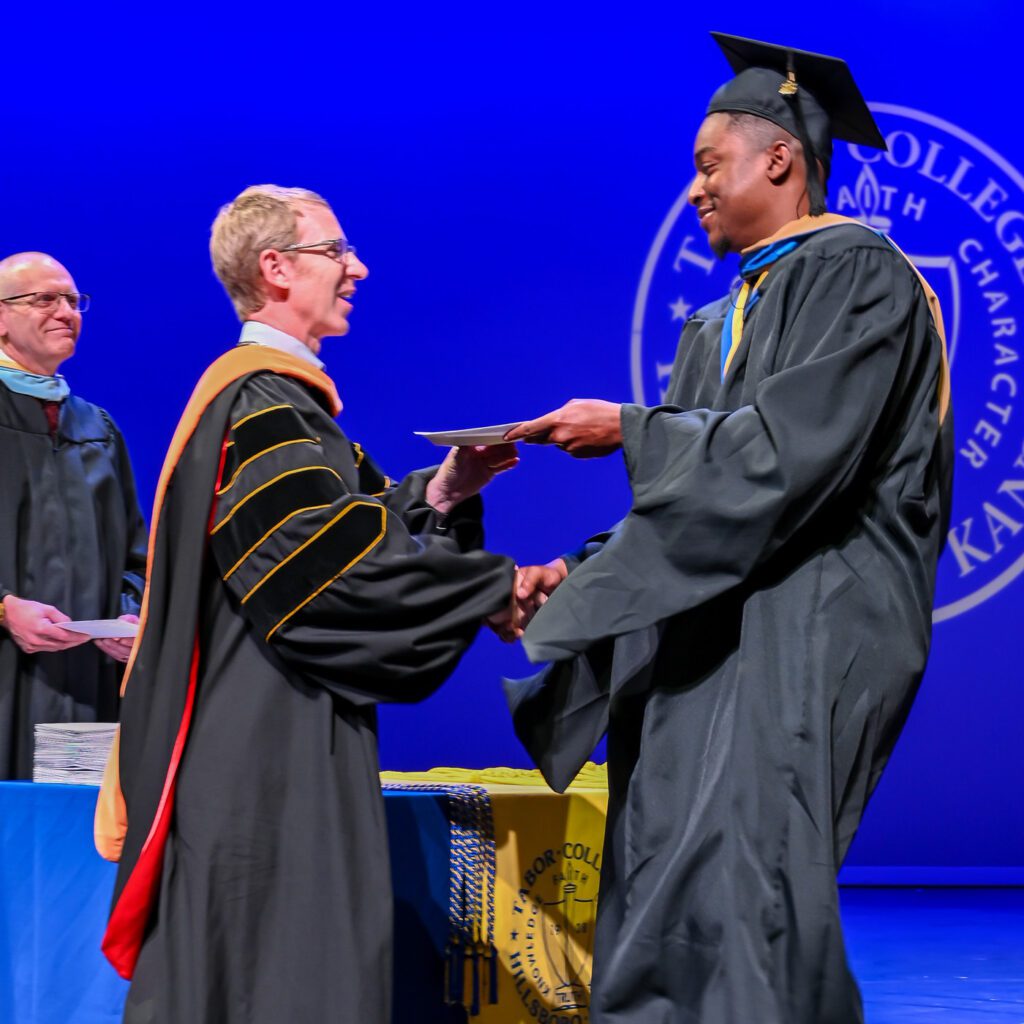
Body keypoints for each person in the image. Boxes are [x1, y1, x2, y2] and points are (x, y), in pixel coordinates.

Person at [503, 35, 953, 1024]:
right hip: (712, 626)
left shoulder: (859, 277)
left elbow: (789, 457)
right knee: (669, 869)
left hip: (807, 620)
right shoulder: (715, 322)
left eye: (711, 165)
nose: (696, 190)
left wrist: (626, 427)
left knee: (749, 881)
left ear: (780, 160)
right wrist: (574, 580)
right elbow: (691, 499)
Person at [95, 185, 518, 1024]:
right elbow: (325, 578)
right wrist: (496, 585)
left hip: (269, 734)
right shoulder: (260, 403)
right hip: (265, 753)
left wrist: (440, 489)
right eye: (337, 251)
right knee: (278, 972)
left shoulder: (274, 404)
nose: (357, 267)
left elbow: (329, 534)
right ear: (276, 268)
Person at [0, 252, 146, 780]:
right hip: (6, 679)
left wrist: (129, 618)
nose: (66, 311)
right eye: (44, 299)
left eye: (72, 300)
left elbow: (136, 551)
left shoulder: (96, 427)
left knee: (77, 843)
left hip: (88, 684)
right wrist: (3, 608)